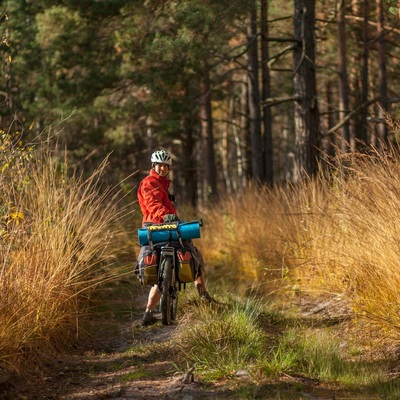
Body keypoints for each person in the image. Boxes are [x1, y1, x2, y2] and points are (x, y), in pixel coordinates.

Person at [137, 149, 215, 326]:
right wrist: (166, 215)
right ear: (153, 166)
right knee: (192, 253)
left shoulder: (161, 183)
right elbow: (152, 203)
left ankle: (148, 313)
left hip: (164, 224)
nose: (163, 168)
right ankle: (203, 295)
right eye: (159, 165)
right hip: (157, 226)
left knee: (163, 270)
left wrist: (169, 201)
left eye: (166, 166)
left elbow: (159, 200)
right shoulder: (149, 182)